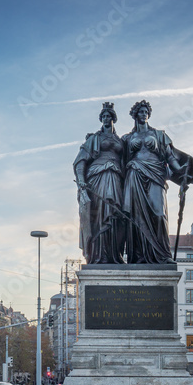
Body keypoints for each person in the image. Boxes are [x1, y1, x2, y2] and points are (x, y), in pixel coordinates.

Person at [121, 100, 193, 264]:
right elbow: (118, 158)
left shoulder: (159, 135)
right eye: (141, 112)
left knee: (158, 213)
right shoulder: (127, 138)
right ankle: (138, 256)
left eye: (146, 112)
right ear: (135, 115)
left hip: (156, 174)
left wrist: (180, 172)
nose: (144, 115)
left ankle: (162, 255)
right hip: (134, 173)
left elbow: (170, 157)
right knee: (135, 217)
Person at [74, 102, 127, 264]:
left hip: (116, 178)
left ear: (113, 119)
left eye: (109, 116)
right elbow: (80, 161)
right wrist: (82, 181)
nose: (106, 119)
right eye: (103, 116)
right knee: (99, 216)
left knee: (115, 214)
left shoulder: (121, 141)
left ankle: (113, 254)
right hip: (98, 178)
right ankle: (98, 254)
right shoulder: (94, 139)